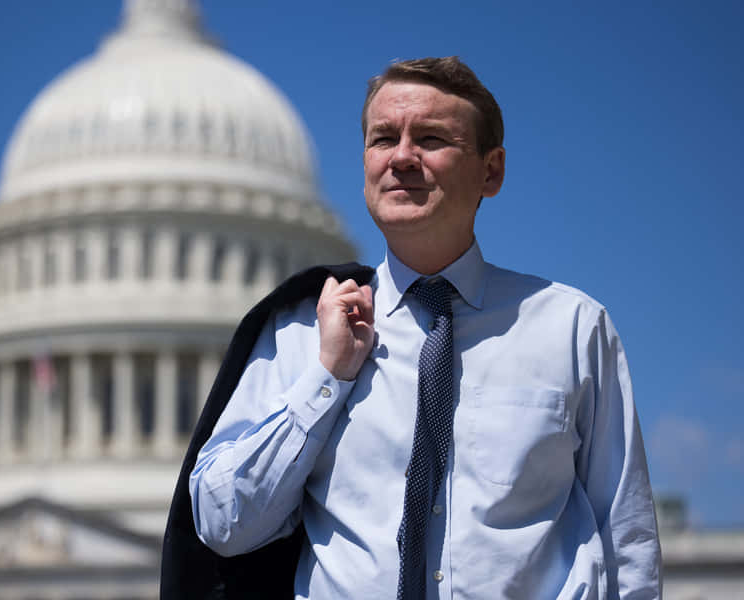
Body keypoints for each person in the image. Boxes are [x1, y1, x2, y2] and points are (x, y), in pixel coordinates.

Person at [161, 57, 661, 599]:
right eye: (383, 139)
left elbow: (626, 543)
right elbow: (223, 524)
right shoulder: (300, 332)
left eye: (429, 138)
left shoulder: (572, 328)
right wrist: (327, 379)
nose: (401, 157)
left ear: (490, 171)